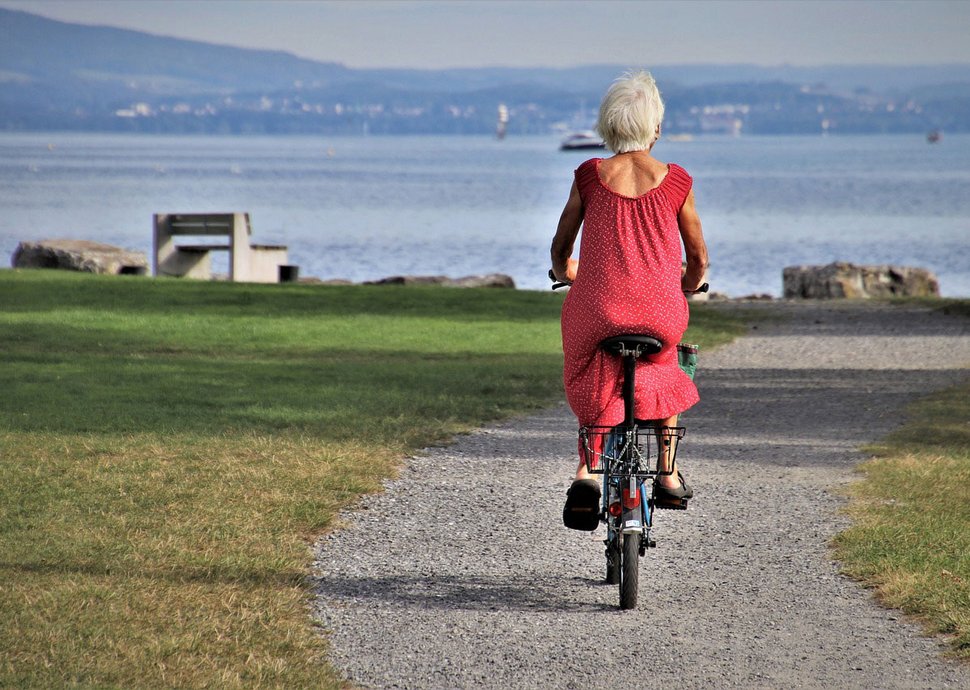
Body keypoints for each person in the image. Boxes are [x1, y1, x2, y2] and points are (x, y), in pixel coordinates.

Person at [550, 70, 709, 530]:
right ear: (655, 128)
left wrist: (566, 274)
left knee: (593, 363)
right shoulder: (676, 180)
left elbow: (562, 248)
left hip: (597, 309)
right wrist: (690, 283)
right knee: (665, 364)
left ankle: (588, 472)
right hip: (659, 312)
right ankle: (667, 471)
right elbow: (697, 256)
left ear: (607, 126)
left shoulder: (589, 175)